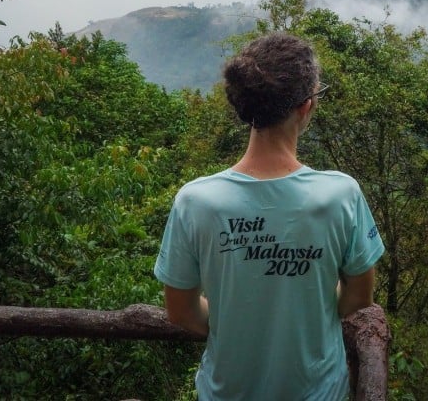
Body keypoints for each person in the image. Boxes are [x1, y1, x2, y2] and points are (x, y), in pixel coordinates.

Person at [155, 31, 385, 400]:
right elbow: (359, 296)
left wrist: (235, 318)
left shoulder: (195, 201)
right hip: (318, 391)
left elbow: (181, 311)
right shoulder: (341, 194)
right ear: (306, 106)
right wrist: (314, 309)